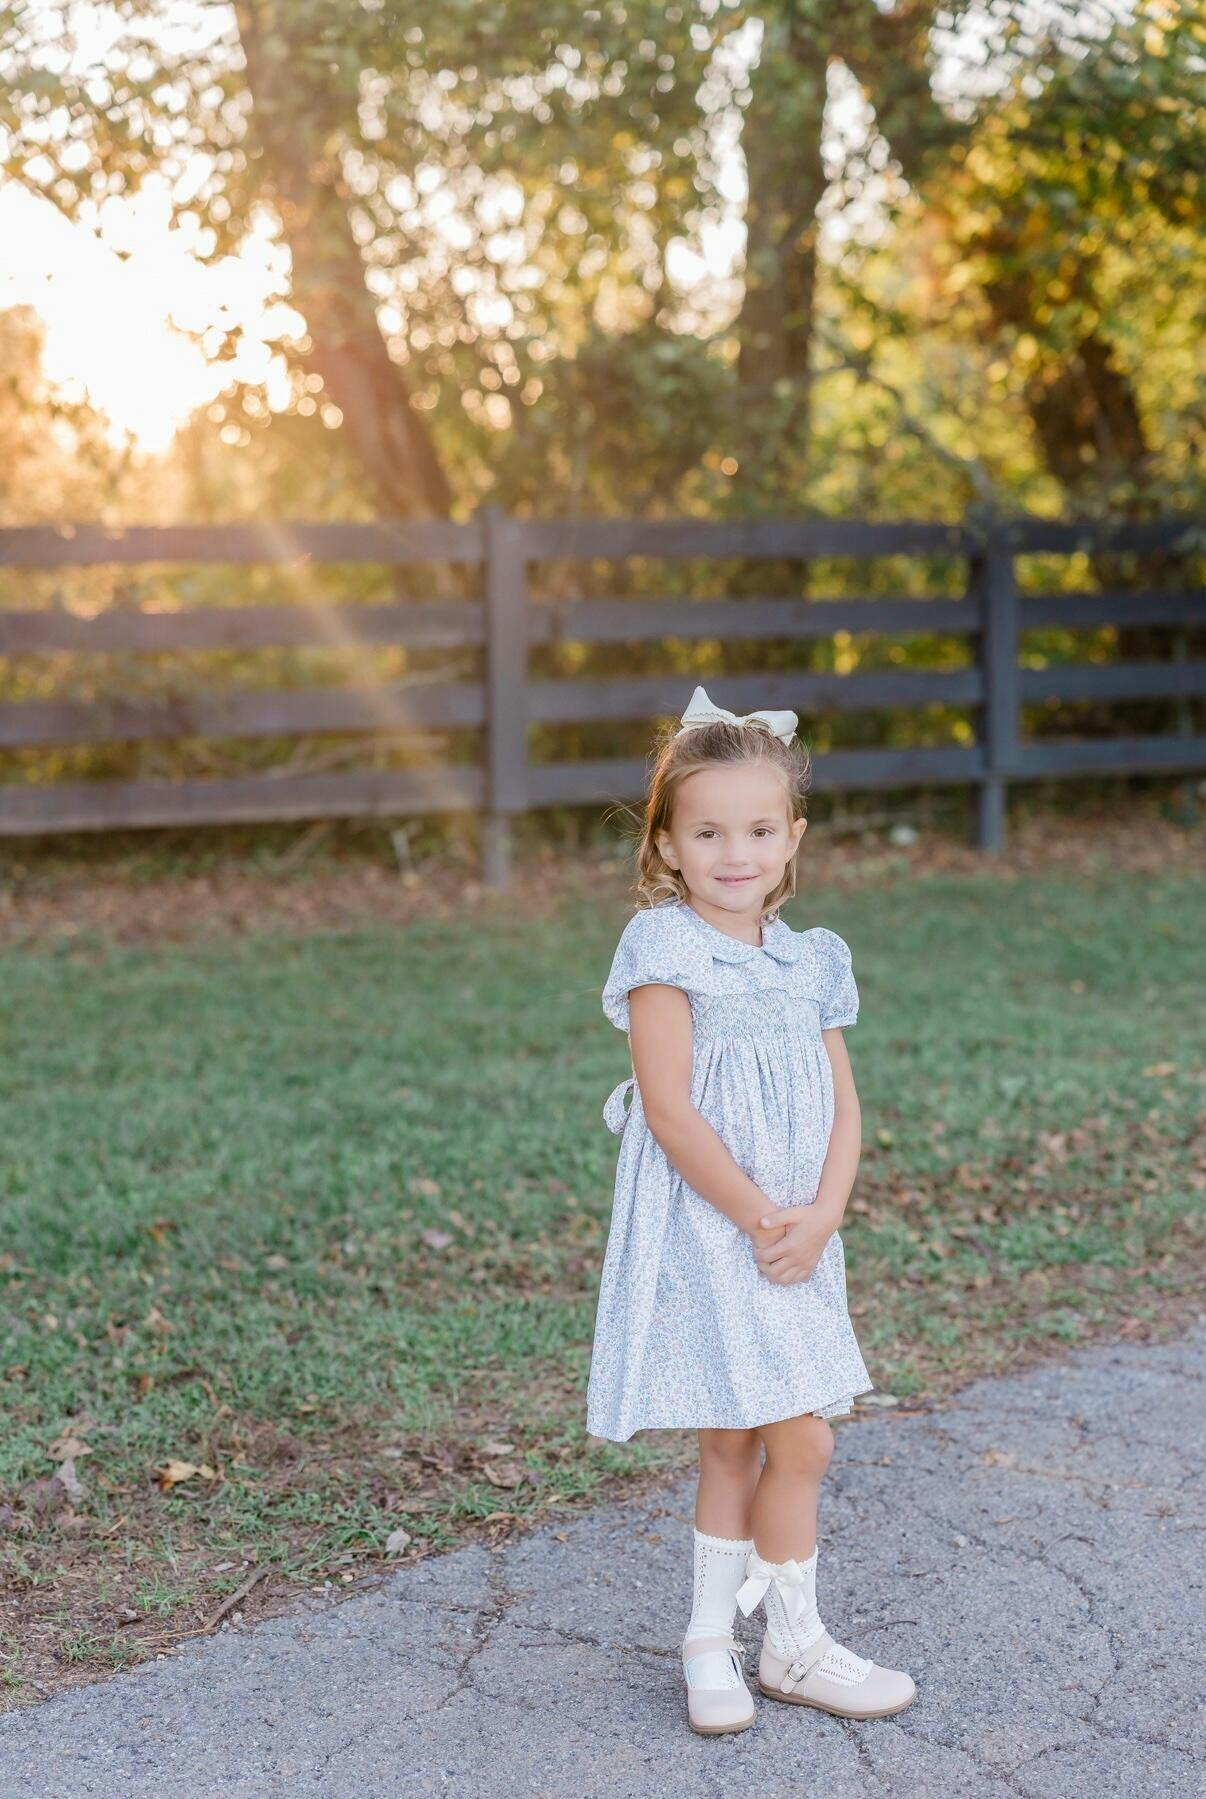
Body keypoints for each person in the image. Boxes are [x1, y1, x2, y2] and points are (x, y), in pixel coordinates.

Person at [586, 684, 917, 1736]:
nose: (737, 852)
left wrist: (821, 1215)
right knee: (768, 1437)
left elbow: (844, 1102)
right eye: (709, 831)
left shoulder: (811, 958)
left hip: (797, 1234)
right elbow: (671, 1112)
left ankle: (758, 1641)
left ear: (793, 839)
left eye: (760, 830)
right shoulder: (663, 949)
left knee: (773, 1434)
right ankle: (748, 1643)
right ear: (667, 843)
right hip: (712, 1224)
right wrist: (763, 1216)